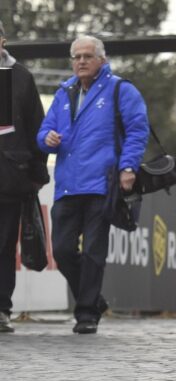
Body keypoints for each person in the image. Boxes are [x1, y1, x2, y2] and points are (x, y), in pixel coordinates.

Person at [37, 36, 149, 334]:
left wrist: (128, 167)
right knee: (62, 250)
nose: (81, 61)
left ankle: (86, 313)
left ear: (102, 59)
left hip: (102, 184)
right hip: (67, 185)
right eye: (76, 56)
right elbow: (44, 131)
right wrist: (47, 138)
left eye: (88, 56)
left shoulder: (120, 89)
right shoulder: (63, 92)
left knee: (93, 253)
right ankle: (94, 300)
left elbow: (138, 130)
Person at [0, 20, 49, 333]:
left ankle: (1, 308)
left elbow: (36, 128)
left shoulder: (20, 77)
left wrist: (35, 172)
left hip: (10, 178)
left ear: (2, 40)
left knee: (4, 246)